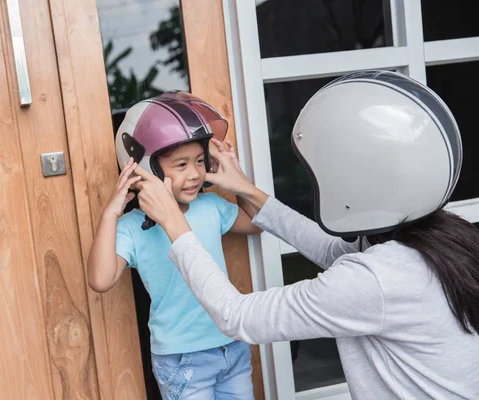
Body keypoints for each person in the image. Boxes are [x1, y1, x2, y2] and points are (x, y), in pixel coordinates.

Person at [132, 71, 479, 399]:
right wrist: (249, 192)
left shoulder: (376, 281)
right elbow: (332, 250)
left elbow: (235, 315)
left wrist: (174, 224)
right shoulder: (445, 237)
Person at [87, 91, 261, 399]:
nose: (194, 173)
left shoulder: (210, 207)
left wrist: (236, 180)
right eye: (181, 164)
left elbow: (258, 224)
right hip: (183, 359)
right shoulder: (132, 228)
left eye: (198, 161)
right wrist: (111, 213)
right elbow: (100, 280)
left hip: (231, 344)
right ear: (145, 168)